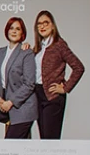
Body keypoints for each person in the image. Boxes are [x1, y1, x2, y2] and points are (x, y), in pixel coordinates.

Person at [32, 9, 85, 140]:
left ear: (53, 25)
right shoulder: (38, 47)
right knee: (43, 137)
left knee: (50, 139)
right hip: (38, 94)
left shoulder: (59, 45)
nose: (42, 26)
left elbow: (79, 67)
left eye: (46, 23)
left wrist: (65, 87)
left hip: (52, 97)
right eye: (39, 24)